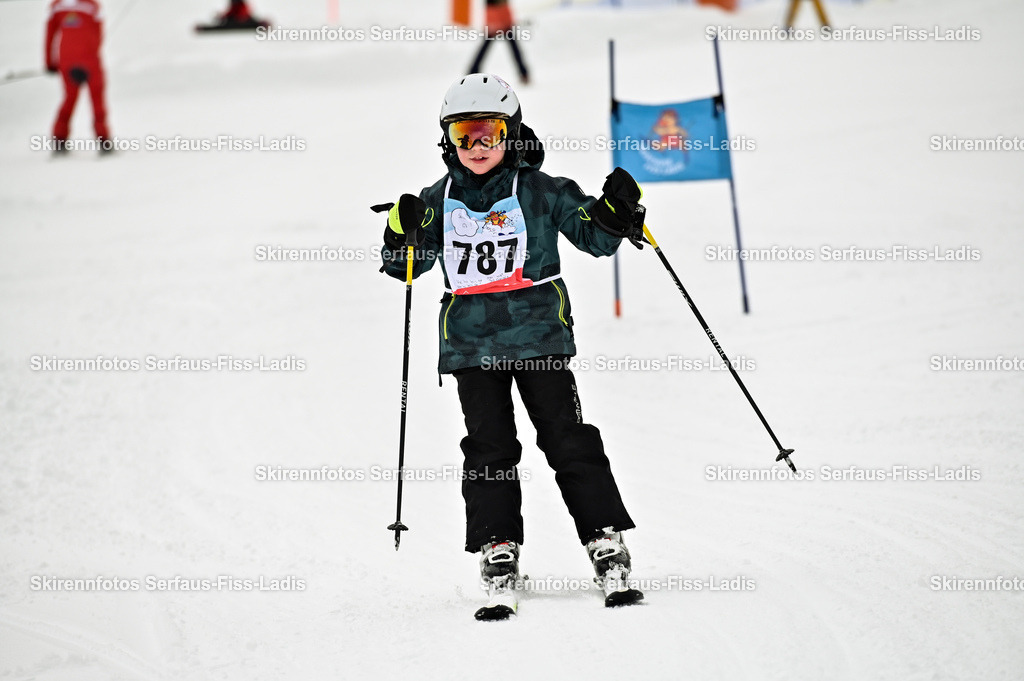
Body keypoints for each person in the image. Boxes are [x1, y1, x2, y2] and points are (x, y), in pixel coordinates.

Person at [376, 74, 644, 618]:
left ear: (511, 133)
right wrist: (400, 236)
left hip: (539, 334)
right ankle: (498, 549)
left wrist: (617, 215)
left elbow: (594, 238)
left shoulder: (543, 190)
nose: (477, 148)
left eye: (489, 134)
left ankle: (605, 539)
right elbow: (409, 268)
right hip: (472, 347)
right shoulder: (437, 200)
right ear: (447, 139)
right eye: (464, 136)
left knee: (567, 438)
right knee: (489, 448)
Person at [45, 0, 110, 154]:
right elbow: (99, 33)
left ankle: (59, 141)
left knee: (69, 99)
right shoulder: (93, 6)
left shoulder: (56, 7)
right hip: (90, 61)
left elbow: (49, 36)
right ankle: (104, 142)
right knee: (97, 101)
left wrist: (50, 63)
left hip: (67, 62)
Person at [468, 0, 529, 85]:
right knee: (485, 49)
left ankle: (524, 73)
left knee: (514, 49)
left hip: (503, 21)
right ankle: (472, 72)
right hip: (495, 20)